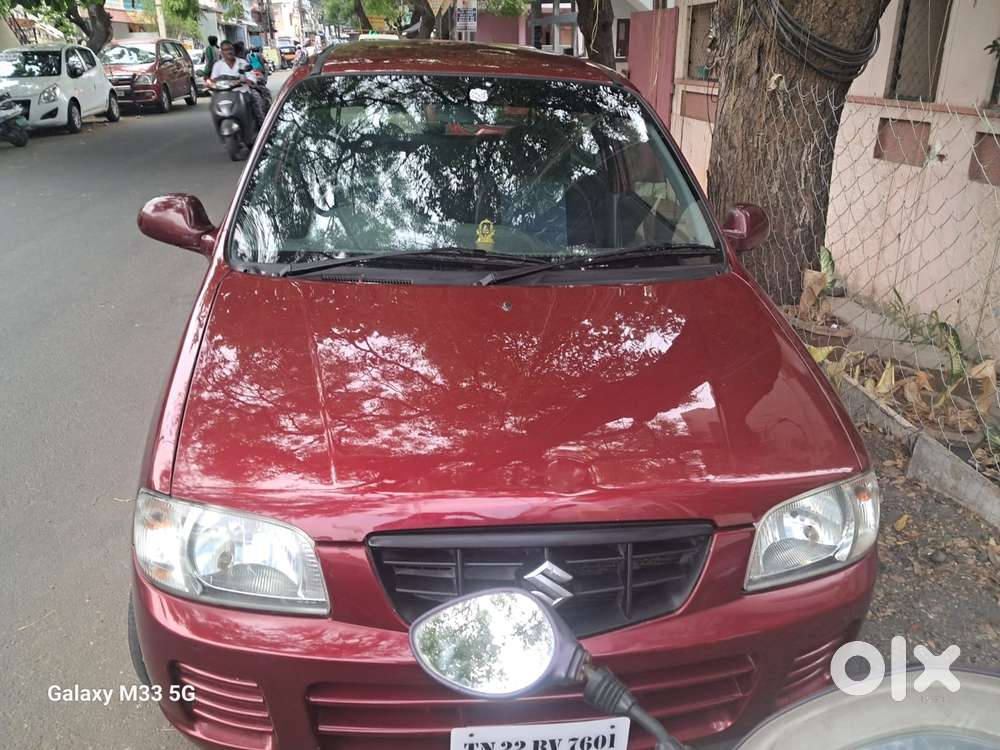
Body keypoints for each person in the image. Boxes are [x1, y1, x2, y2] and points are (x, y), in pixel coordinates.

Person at [210, 40, 267, 126]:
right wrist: (209, 84)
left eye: (231, 49)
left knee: (257, 102)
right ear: (221, 52)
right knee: (213, 106)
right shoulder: (217, 65)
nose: (229, 51)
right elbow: (213, 80)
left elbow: (251, 77)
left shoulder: (242, 62)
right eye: (226, 50)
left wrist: (249, 80)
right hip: (224, 95)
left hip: (243, 92)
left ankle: (264, 129)